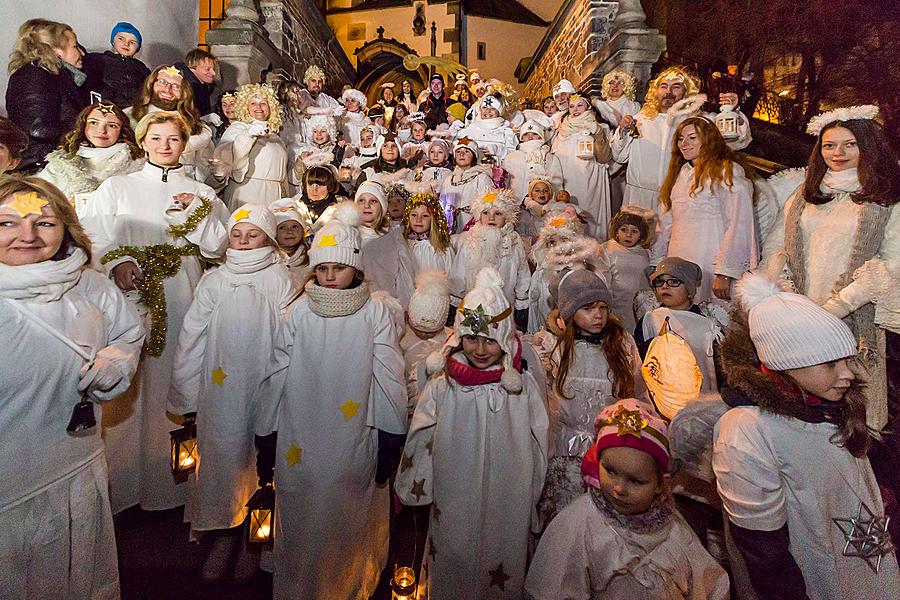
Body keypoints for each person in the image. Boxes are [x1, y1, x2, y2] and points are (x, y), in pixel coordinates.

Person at [254, 202, 408, 599]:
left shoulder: (373, 314)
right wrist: (266, 432)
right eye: (321, 268)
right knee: (302, 512)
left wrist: (392, 436)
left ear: (355, 268)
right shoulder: (300, 312)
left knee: (345, 515)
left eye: (336, 268)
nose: (328, 275)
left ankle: (346, 585)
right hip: (299, 436)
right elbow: (276, 373)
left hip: (352, 435)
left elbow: (389, 375)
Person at [713, 272, 900, 599]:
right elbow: (763, 551)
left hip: (870, 571)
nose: (847, 374)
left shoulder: (832, 404)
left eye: (847, 359)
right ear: (785, 363)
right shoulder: (749, 429)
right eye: (830, 363)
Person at [0, 176, 144, 599]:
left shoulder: (90, 284)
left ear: (65, 228)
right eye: (7, 223)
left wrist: (114, 366)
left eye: (44, 223)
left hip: (73, 466)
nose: (27, 235)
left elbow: (127, 335)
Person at [80, 111, 229, 513]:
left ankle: (171, 491)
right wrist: (118, 261)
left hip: (183, 289)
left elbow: (218, 247)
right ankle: (122, 490)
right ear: (142, 142)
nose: (165, 146)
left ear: (184, 144)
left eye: (174, 139)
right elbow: (93, 235)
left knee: (175, 377)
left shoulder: (202, 192)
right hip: (129, 290)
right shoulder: (116, 186)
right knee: (127, 383)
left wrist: (194, 213)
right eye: (156, 138)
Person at [396, 267, 549, 600]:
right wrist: (416, 483)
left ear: (505, 340)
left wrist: (535, 494)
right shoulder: (444, 385)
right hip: (455, 493)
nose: (480, 349)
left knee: (501, 558)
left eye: (490, 340)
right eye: (472, 338)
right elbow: (421, 430)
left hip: (506, 497)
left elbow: (540, 441)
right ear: (459, 337)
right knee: (452, 553)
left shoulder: (519, 390)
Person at [168, 203, 295, 582]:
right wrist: (186, 392)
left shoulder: (279, 279)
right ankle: (223, 528)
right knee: (222, 456)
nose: (242, 242)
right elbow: (192, 335)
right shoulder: (215, 280)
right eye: (236, 235)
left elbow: (290, 334)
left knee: (258, 459)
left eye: (252, 235)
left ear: (268, 239)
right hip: (220, 393)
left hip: (263, 387)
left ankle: (252, 541)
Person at [767, 104, 900, 434]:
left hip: (855, 318)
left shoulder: (886, 197)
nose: (837, 153)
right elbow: (778, 251)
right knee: (803, 411)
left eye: (849, 144)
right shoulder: (803, 195)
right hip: (802, 316)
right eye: (829, 145)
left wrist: (836, 307)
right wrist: (791, 298)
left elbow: (892, 262)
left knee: (852, 412)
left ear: (867, 146)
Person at [525, 399, 729, 599]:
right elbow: (554, 586)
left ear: (660, 484)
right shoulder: (578, 526)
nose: (618, 488)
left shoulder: (671, 527)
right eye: (610, 470)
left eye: (635, 481)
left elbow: (711, 583)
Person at [538, 269, 645, 524]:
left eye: (602, 307)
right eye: (587, 308)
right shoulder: (556, 348)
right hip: (565, 449)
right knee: (567, 518)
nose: (598, 315)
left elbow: (637, 393)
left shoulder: (622, 346)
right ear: (570, 312)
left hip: (608, 450)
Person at [610, 66, 751, 210]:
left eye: (676, 87)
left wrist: (732, 112)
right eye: (663, 86)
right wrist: (622, 130)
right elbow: (619, 156)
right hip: (639, 198)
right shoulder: (640, 120)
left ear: (686, 92)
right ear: (655, 91)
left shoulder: (697, 120)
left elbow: (737, 142)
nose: (668, 92)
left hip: (679, 197)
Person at [655, 116, 758, 302]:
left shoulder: (726, 171)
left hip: (709, 261)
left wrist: (724, 273)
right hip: (679, 259)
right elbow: (666, 223)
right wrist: (659, 263)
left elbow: (738, 222)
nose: (684, 143)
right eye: (680, 138)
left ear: (708, 140)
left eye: (692, 138)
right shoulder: (679, 175)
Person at [634, 258, 727, 395]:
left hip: (699, 396)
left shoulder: (708, 326)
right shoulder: (649, 320)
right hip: (662, 395)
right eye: (660, 282)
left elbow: (720, 369)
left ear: (690, 289)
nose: (665, 286)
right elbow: (639, 359)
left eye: (674, 281)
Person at [6, 19, 89, 172]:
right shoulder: (33, 76)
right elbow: (38, 129)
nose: (81, 53)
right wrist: (87, 126)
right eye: (75, 46)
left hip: (51, 163)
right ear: (56, 51)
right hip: (42, 168)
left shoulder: (51, 76)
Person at [450, 188, 530, 330]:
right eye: (485, 213)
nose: (491, 218)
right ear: (479, 216)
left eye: (498, 213)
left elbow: (522, 274)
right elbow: (458, 275)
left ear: (507, 217)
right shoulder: (469, 241)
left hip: (504, 306)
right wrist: (454, 304)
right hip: (474, 306)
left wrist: (521, 305)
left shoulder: (515, 242)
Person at [37, 102, 144, 203]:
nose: (102, 130)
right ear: (83, 126)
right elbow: (36, 196)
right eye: (94, 123)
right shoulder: (61, 164)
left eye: (112, 125)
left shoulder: (137, 165)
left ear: (122, 131)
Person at [127, 65, 213, 182]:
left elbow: (204, 170)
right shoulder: (128, 118)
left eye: (176, 86)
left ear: (184, 92)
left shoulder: (197, 127)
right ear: (151, 83)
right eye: (162, 82)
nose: (167, 90)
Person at [213, 83, 290, 210]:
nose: (258, 107)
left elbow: (283, 175)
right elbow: (228, 159)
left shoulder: (275, 137)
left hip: (274, 196)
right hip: (248, 194)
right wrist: (248, 136)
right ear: (245, 107)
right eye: (253, 103)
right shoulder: (239, 128)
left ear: (270, 107)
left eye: (263, 103)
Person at [551, 93, 612, 237]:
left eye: (580, 105)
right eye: (572, 106)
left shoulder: (599, 127)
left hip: (590, 180)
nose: (575, 109)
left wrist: (597, 133)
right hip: (568, 180)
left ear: (588, 106)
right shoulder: (562, 130)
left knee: (590, 218)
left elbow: (604, 157)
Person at [399, 270, 452, 409]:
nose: (423, 336)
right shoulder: (401, 337)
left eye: (430, 333)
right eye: (418, 330)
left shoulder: (449, 340)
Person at [597, 206, 654, 331]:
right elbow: (602, 277)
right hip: (616, 303)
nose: (628, 235)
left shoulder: (646, 253)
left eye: (634, 231)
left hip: (640, 306)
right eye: (624, 230)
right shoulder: (607, 249)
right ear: (616, 232)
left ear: (640, 235)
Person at [82, 21, 150, 109]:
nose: (126, 44)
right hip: (102, 109)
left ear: (137, 49)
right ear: (113, 41)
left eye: (132, 42)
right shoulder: (97, 59)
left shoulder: (141, 68)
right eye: (121, 39)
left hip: (131, 111)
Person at [503, 115, 564, 204]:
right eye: (526, 134)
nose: (530, 137)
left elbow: (556, 184)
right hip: (515, 204)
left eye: (535, 134)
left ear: (541, 136)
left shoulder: (550, 157)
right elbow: (505, 181)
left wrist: (555, 204)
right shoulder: (512, 157)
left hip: (542, 206)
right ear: (522, 138)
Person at [441, 137, 493, 233]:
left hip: (473, 230)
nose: (462, 154)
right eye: (458, 151)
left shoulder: (482, 178)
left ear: (474, 156)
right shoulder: (448, 180)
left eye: (467, 151)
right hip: (450, 229)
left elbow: (489, 205)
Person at [402, 186, 454, 276]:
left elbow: (452, 277)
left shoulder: (443, 248)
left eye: (425, 216)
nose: (418, 220)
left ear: (433, 219)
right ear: (408, 217)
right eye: (414, 215)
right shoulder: (402, 246)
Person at [456, 92, 518, 163]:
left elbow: (513, 155)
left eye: (493, 108)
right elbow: (457, 145)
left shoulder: (506, 131)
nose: (488, 111)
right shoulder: (471, 129)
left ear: (499, 112)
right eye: (484, 107)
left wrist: (498, 150)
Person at [294, 162, 348, 231]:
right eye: (310, 185)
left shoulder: (341, 205)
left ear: (329, 186)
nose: (314, 190)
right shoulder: (295, 204)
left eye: (320, 185)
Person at [270, 197, 311, 284]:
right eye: (282, 228)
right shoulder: (268, 260)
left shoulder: (310, 258)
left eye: (294, 227)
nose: (289, 231)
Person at [175, 48, 218, 117]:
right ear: (192, 69)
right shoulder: (187, 89)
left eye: (213, 69)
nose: (213, 73)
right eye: (207, 69)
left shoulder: (202, 87)